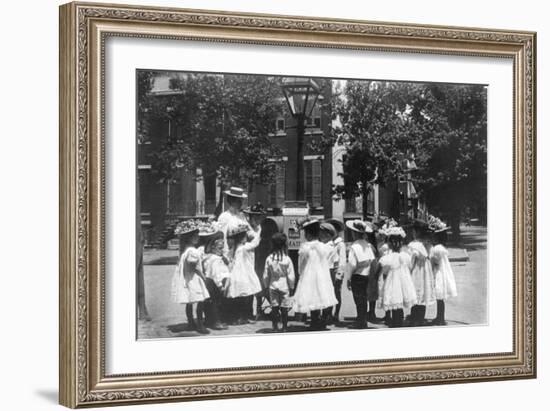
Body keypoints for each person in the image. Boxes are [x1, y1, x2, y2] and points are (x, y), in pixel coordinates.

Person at [293, 218, 338, 330]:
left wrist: (301, 274)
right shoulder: (323, 246)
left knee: (311, 297)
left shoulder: (305, 247)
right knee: (320, 295)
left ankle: (314, 320)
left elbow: (301, 264)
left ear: (307, 234)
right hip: (321, 275)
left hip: (309, 276)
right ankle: (320, 320)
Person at [171, 219, 211, 334]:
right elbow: (195, 267)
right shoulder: (192, 251)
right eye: (195, 236)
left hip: (187, 278)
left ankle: (191, 322)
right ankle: (199, 324)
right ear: (190, 237)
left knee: (190, 301)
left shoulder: (185, 250)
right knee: (200, 300)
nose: (198, 237)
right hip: (193, 278)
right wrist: (203, 276)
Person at [376, 225, 417, 328]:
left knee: (394, 302)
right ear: (401, 243)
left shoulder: (387, 258)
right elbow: (411, 267)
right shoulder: (405, 256)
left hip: (392, 283)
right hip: (404, 283)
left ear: (389, 243)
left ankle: (396, 324)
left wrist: (378, 277)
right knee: (399, 305)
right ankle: (399, 323)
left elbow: (378, 271)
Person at [225, 222, 263, 325]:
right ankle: (244, 316)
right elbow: (256, 242)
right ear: (241, 237)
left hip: (237, 274)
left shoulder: (234, 249)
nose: (246, 237)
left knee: (239, 296)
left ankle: (238, 317)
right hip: (244, 274)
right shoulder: (243, 247)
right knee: (246, 295)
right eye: (245, 235)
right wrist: (259, 230)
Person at [345, 219, 377, 329]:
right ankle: (363, 320)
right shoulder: (367, 245)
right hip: (366, 275)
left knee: (358, 300)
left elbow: (352, 264)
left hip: (357, 275)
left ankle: (360, 320)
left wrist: (348, 278)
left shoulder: (354, 247)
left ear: (354, 233)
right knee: (363, 299)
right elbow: (371, 259)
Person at [263, 233, 295, 332]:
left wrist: (265, 285)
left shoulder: (269, 258)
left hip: (273, 285)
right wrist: (291, 286)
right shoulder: (287, 259)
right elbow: (291, 275)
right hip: (284, 285)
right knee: (284, 307)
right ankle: (285, 327)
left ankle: (275, 327)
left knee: (274, 307)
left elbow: (265, 274)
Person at [202, 230, 230, 330]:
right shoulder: (215, 259)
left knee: (210, 302)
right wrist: (220, 286)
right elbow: (216, 274)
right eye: (219, 247)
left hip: (209, 282)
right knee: (215, 303)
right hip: (214, 283)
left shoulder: (210, 257)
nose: (221, 250)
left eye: (222, 247)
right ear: (213, 247)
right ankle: (216, 322)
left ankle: (209, 321)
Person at [243, 202, 268, 321]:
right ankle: (247, 312)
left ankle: (259, 310)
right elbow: (252, 239)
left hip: (258, 259)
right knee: (248, 285)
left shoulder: (259, 227)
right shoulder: (246, 227)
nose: (258, 219)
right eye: (255, 216)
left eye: (260, 217)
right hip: (246, 258)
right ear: (250, 216)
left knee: (258, 284)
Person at [407, 227, 436, 326]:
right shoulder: (426, 244)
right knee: (423, 293)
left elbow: (411, 260)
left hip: (416, 271)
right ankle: (420, 318)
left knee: (415, 292)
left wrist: (408, 270)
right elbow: (431, 257)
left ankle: (414, 318)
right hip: (425, 272)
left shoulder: (413, 245)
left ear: (416, 232)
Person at [429, 227, 458, 326]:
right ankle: (440, 317)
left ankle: (440, 318)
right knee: (440, 299)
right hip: (442, 271)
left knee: (439, 297)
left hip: (439, 273)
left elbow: (435, 262)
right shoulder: (441, 247)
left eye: (434, 236)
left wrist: (431, 263)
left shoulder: (437, 249)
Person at [325, 219, 346, 324]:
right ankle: (328, 314)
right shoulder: (327, 242)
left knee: (337, 293)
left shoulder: (340, 244)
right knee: (328, 293)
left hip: (335, 270)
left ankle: (336, 314)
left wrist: (340, 273)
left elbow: (342, 260)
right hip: (327, 270)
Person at [217, 186, 250, 254]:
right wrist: (226, 253)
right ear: (231, 201)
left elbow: (248, 230)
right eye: (238, 200)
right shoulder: (224, 216)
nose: (240, 203)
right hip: (230, 250)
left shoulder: (242, 216)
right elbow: (222, 236)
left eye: (241, 200)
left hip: (243, 250)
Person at [319, 222, 338, 324]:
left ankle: (325, 316)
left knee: (324, 293)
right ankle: (327, 315)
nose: (319, 235)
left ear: (327, 234)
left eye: (321, 233)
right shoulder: (330, 245)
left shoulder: (326, 246)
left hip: (326, 271)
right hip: (329, 271)